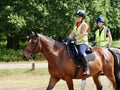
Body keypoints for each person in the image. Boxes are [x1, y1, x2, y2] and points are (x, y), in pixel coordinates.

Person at [64, 10, 90, 75]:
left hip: (83, 43)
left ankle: (86, 69)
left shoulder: (84, 25)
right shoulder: (76, 25)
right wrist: (67, 38)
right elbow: (72, 34)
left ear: (82, 18)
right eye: (77, 16)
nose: (77, 18)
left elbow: (83, 34)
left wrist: (75, 39)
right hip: (76, 43)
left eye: (79, 17)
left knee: (81, 53)